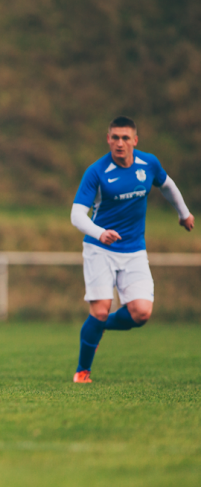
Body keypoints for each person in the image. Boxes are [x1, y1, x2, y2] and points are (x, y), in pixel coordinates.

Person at [70, 116, 194, 383]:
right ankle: (82, 372)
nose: (120, 143)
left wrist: (183, 214)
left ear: (135, 141)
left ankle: (100, 328)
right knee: (100, 309)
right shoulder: (96, 172)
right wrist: (99, 233)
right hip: (99, 248)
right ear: (108, 140)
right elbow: (76, 214)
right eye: (115, 137)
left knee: (141, 313)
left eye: (125, 138)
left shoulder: (148, 164)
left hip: (135, 249)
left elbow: (167, 186)